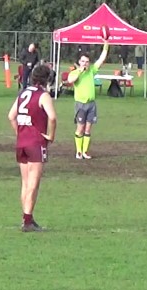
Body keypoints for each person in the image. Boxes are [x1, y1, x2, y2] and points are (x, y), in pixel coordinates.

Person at [7, 64, 56, 232]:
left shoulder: (23, 93)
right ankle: (27, 221)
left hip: (22, 143)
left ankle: (26, 218)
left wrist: (19, 133)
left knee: (25, 183)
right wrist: (51, 135)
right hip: (36, 143)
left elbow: (11, 116)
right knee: (33, 183)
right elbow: (52, 117)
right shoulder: (43, 95)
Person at [66, 38, 109, 159]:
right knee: (80, 128)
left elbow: (101, 59)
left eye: (87, 62)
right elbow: (70, 80)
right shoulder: (75, 72)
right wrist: (80, 71)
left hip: (91, 104)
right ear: (79, 62)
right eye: (83, 61)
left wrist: (106, 45)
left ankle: (85, 151)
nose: (85, 63)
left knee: (88, 129)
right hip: (81, 104)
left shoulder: (91, 71)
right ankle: (78, 151)